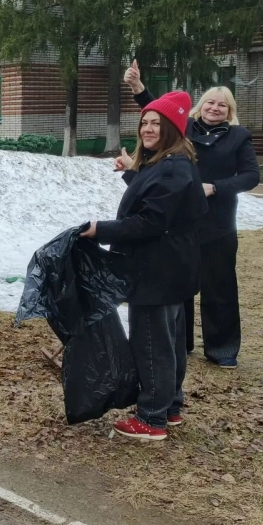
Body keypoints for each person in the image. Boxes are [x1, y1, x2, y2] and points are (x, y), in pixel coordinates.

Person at [81, 91, 208, 441]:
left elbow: (149, 222)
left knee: (151, 344)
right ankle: (170, 406)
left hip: (157, 272)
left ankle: (152, 418)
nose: (148, 129)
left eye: (157, 124)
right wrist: (131, 173)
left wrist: (98, 230)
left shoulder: (171, 168)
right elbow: (163, 204)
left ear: (172, 129)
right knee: (170, 343)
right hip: (173, 270)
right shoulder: (171, 164)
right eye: (145, 123)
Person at [124, 61, 258, 368]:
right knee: (178, 284)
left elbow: (250, 176)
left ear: (230, 110)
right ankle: (179, 344)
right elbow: (158, 113)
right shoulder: (186, 128)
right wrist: (137, 87)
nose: (214, 108)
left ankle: (222, 349)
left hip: (219, 224)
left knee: (219, 288)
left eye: (222, 105)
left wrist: (216, 187)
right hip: (181, 222)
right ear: (201, 105)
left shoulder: (239, 137)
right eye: (210, 102)